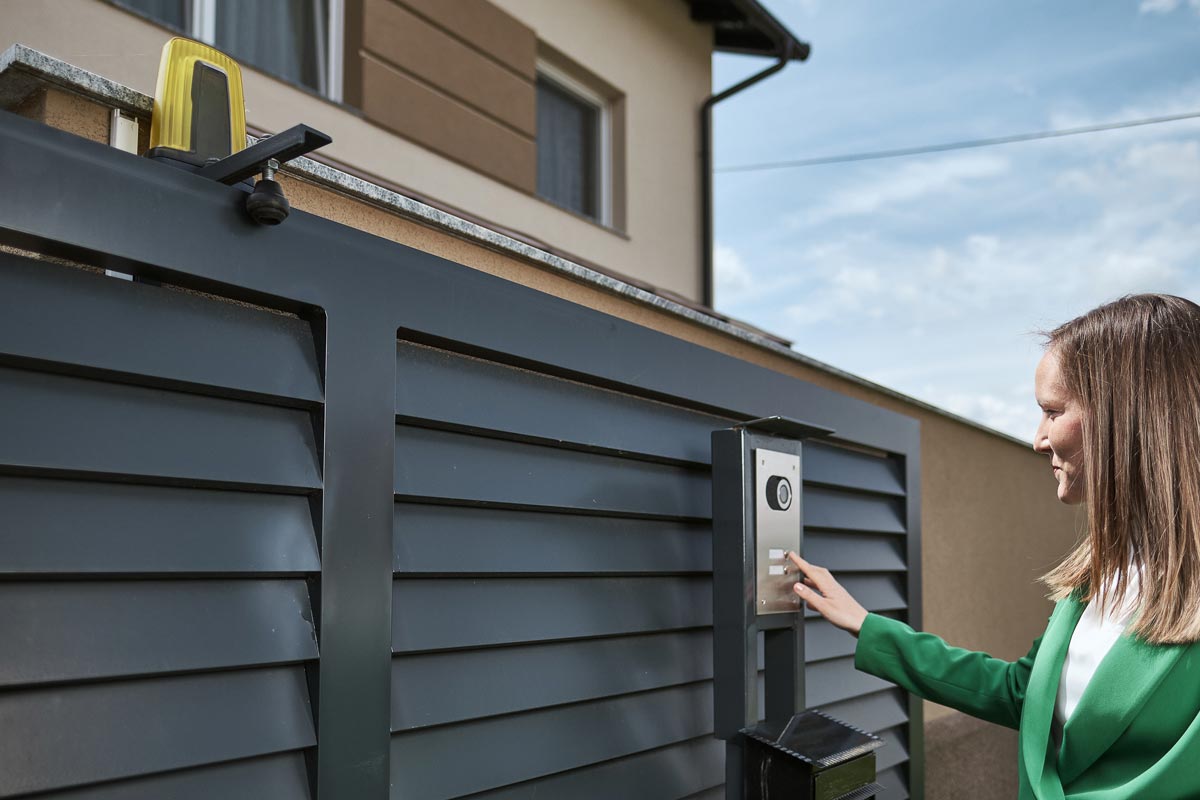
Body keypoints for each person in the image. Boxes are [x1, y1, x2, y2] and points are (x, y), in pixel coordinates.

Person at [787, 293, 1200, 800]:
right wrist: (869, 627)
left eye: (1052, 411)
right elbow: (1021, 694)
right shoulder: (1100, 576)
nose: (1037, 439)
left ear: (1128, 416)